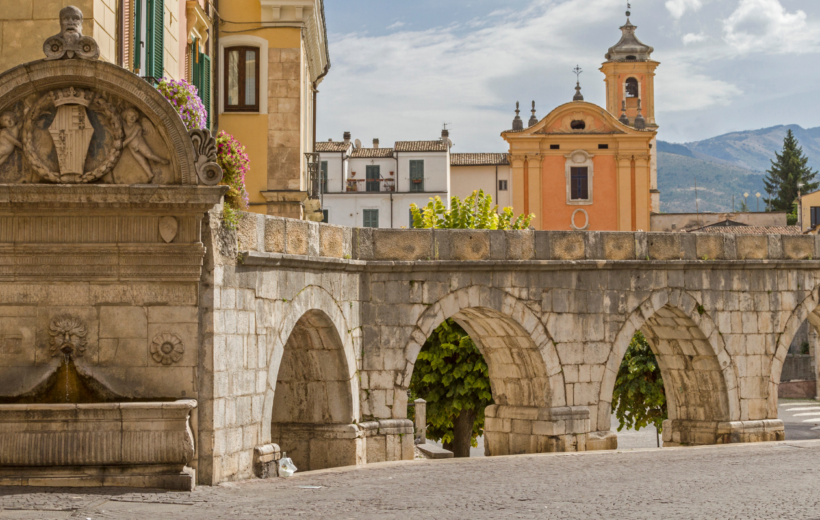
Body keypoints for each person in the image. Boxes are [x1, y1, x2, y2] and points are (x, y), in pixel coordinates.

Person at [122, 108, 169, 182]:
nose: (132, 117)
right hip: (131, 146)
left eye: (134, 116)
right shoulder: (124, 125)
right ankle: (150, 174)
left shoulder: (137, 125)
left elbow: (131, 137)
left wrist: (124, 143)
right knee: (141, 161)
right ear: (125, 116)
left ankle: (161, 160)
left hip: (139, 143)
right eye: (129, 115)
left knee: (149, 155)